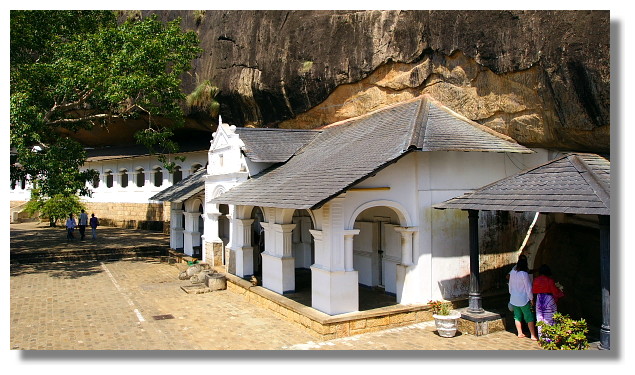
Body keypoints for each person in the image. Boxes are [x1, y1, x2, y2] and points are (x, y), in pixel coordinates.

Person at [509, 257, 538, 340]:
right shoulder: (524, 274)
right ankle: (533, 335)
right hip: (523, 299)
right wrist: (531, 299)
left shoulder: (512, 272)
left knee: (517, 316)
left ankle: (520, 333)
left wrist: (512, 294)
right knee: (529, 317)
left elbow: (510, 286)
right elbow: (528, 288)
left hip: (514, 298)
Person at [532, 264, 564, 338]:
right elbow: (555, 292)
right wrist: (560, 291)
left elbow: (534, 290)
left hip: (539, 299)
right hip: (548, 299)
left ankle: (542, 336)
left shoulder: (536, 280)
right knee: (550, 317)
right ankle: (550, 336)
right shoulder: (550, 280)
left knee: (539, 317)